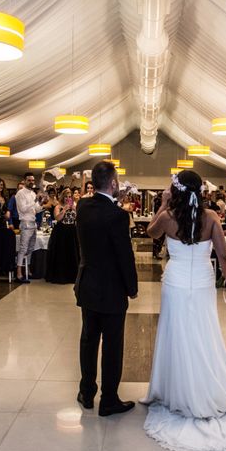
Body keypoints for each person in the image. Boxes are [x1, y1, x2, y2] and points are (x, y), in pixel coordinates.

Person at [141, 170, 226, 451]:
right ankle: (205, 386)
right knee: (203, 332)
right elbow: (223, 254)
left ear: (174, 191)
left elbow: (151, 233)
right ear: (200, 191)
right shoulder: (211, 216)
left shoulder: (167, 216)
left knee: (176, 332)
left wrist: (162, 205)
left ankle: (174, 388)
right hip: (201, 280)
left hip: (175, 282)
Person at [74, 161, 138, 417]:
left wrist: (114, 199)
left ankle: (86, 392)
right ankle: (109, 399)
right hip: (111, 289)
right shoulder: (118, 215)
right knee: (112, 345)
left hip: (88, 283)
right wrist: (132, 287)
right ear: (113, 183)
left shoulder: (82, 206)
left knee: (88, 340)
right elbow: (124, 256)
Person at [45, 188, 79, 284]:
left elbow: (78, 218)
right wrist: (64, 210)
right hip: (61, 232)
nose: (68, 199)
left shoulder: (74, 206)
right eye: (66, 197)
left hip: (72, 231)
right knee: (62, 254)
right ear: (63, 198)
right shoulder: (58, 206)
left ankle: (73, 276)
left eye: (69, 197)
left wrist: (74, 209)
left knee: (72, 253)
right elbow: (57, 218)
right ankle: (61, 276)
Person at [14, 172, 43, 283]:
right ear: (24, 181)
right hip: (25, 223)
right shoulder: (20, 193)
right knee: (23, 248)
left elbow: (36, 209)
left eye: (32, 180)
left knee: (30, 248)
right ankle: (19, 273)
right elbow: (22, 209)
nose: (31, 182)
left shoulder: (32, 193)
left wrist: (40, 202)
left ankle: (28, 270)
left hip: (33, 222)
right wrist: (35, 201)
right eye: (29, 180)